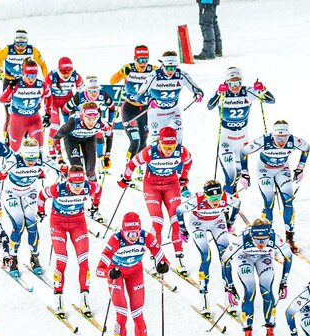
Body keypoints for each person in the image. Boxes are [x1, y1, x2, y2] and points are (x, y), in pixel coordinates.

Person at [97, 210, 167, 336]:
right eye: (129, 233)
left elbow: (159, 254)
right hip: (117, 276)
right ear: (123, 231)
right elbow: (99, 269)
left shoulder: (146, 237)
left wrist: (162, 264)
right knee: (122, 316)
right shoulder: (115, 240)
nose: (133, 237)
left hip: (135, 274)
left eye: (136, 233)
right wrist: (109, 273)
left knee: (138, 315)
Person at [120, 124, 192, 267]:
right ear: (160, 143)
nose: (169, 151)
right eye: (166, 147)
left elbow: (189, 161)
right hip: (152, 186)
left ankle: (179, 256)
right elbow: (133, 163)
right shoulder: (150, 151)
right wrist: (125, 178)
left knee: (175, 219)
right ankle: (156, 258)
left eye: (172, 147)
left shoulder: (181, 151)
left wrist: (184, 176)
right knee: (158, 222)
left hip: (171, 185)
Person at [224, 215, 292, 336]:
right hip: (245, 257)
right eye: (257, 240)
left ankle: (270, 333)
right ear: (252, 236)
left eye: (264, 240)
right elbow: (225, 259)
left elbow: (289, 256)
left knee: (267, 291)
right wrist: (229, 286)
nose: (261, 243)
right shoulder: (243, 238)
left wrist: (283, 282)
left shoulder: (274, 237)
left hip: (264, 257)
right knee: (250, 291)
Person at [244, 118, 310, 254]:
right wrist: (244, 173)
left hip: (282, 169)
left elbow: (306, 148)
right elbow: (244, 151)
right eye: (278, 137)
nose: (281, 141)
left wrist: (300, 168)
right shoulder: (264, 140)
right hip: (264, 169)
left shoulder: (293, 141)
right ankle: (266, 236)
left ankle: (290, 237)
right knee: (269, 202)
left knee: (288, 202)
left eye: (284, 137)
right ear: (272, 135)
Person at [206, 67, 274, 192]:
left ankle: (231, 198)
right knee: (230, 178)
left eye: (238, 83)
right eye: (231, 83)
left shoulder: (248, 92)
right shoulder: (222, 93)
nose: (235, 86)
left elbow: (271, 100)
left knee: (237, 176)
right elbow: (210, 106)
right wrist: (217, 93)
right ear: (226, 83)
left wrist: (263, 89)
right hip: (226, 139)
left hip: (242, 139)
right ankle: (225, 206)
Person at [42, 165, 97, 314]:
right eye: (75, 184)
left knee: (83, 260)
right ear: (68, 181)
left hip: (78, 223)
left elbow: (98, 190)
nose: (78, 188)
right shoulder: (57, 188)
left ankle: (84, 298)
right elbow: (42, 195)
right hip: (58, 223)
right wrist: (41, 211)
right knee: (62, 260)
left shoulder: (89, 186)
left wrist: (95, 205)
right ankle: (58, 298)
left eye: (80, 184)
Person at [0, 139, 54, 275]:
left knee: (32, 225)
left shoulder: (41, 157)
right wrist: (1, 175)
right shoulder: (14, 159)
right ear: (22, 154)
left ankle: (35, 257)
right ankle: (13, 258)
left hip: (30, 192)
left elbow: (59, 168)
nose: (31, 161)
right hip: (12, 193)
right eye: (28, 158)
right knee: (19, 225)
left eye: (33, 158)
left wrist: (65, 172)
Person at [184, 179, 241, 303]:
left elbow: (237, 204)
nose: (216, 201)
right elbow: (179, 210)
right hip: (198, 224)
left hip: (217, 223)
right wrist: (183, 230)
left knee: (225, 257)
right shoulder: (196, 200)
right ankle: (203, 295)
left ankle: (229, 291)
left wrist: (231, 222)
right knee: (206, 256)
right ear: (205, 196)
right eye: (212, 198)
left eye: (218, 197)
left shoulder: (225, 197)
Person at [51, 100, 110, 217]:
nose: (92, 122)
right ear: (83, 117)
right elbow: (56, 137)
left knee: (91, 172)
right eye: (88, 119)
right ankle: (71, 203)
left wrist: (107, 154)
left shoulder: (101, 122)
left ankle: (94, 207)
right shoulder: (74, 121)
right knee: (77, 172)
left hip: (88, 140)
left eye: (94, 119)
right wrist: (59, 156)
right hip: (71, 140)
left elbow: (109, 135)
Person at [107, 45, 157, 164]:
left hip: (145, 110)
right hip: (129, 109)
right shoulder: (128, 68)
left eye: (145, 59)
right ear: (135, 59)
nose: (143, 63)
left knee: (144, 141)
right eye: (140, 60)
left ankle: (139, 169)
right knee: (135, 141)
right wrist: (121, 73)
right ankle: (128, 169)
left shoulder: (153, 69)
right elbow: (112, 81)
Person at [144, 50, 204, 142]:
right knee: (156, 143)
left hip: (173, 112)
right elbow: (139, 95)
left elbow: (197, 90)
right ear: (162, 66)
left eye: (174, 67)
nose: (171, 71)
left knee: (178, 141)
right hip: (156, 114)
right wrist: (150, 100)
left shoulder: (181, 75)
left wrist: (198, 95)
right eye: (168, 68)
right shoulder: (154, 76)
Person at [0, 59, 49, 150]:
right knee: (15, 150)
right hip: (17, 120)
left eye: (34, 75)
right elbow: (2, 99)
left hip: (34, 119)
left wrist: (48, 114)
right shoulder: (17, 84)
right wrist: (10, 87)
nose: (31, 79)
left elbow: (48, 96)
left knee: (39, 149)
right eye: (28, 75)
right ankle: (9, 131)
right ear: (23, 73)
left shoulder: (41, 85)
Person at [43, 55, 82, 131]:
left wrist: (79, 105)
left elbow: (81, 92)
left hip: (68, 100)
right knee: (55, 125)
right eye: (63, 72)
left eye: (69, 71)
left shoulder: (76, 76)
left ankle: (70, 141)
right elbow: (43, 93)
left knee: (71, 124)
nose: (66, 75)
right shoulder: (51, 76)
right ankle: (54, 142)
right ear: (58, 70)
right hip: (53, 101)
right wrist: (47, 112)